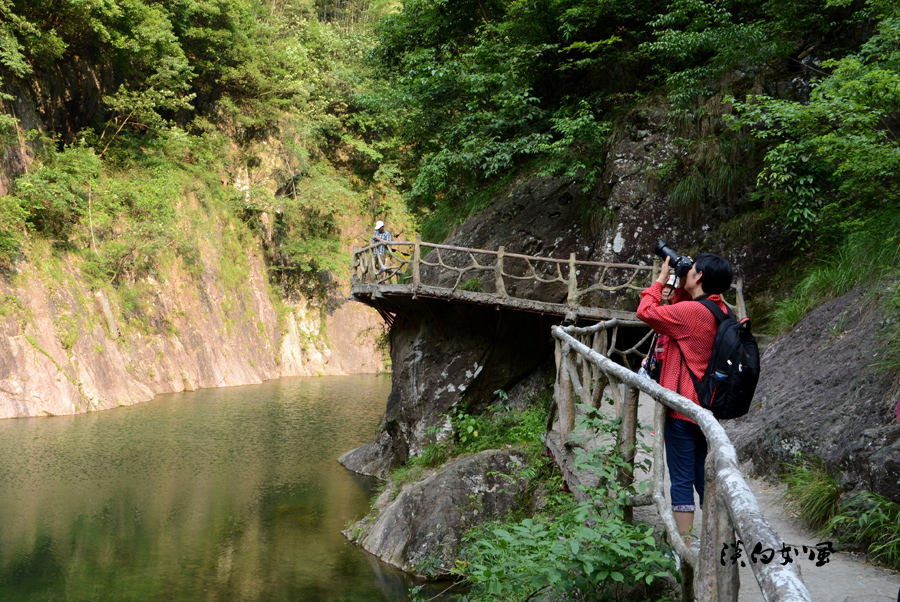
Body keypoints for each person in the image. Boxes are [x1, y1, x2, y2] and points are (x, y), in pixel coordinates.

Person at [636, 252, 733, 541]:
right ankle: (715, 540)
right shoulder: (719, 309)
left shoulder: (693, 313)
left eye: (692, 269)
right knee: (705, 477)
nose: (688, 270)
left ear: (700, 275)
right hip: (704, 409)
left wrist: (660, 281)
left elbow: (647, 312)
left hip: (681, 410)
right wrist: (679, 286)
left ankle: (686, 547)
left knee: (681, 480)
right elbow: (677, 321)